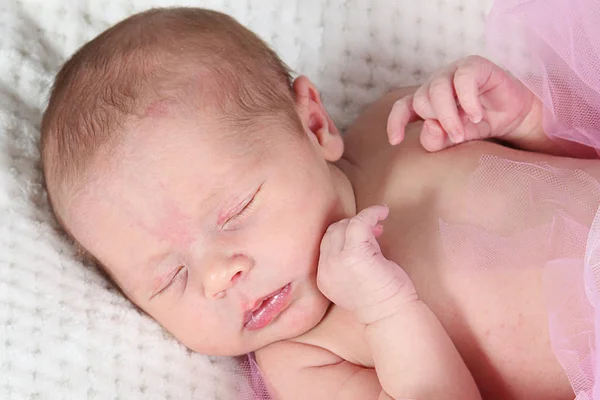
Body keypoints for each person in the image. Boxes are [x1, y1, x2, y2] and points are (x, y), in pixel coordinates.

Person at [40, 7, 596, 400]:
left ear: (314, 123)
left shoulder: (396, 125)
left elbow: (581, 146)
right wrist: (386, 310)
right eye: (169, 279)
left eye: (234, 211)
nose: (217, 277)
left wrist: (528, 119)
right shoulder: (305, 357)